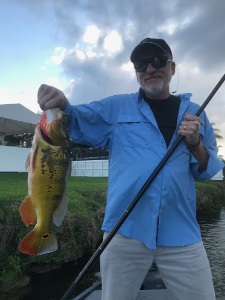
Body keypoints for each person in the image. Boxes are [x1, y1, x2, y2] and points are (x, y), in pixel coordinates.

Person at [38, 38, 224, 300]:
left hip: (181, 231)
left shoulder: (196, 113)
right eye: (141, 64)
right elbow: (75, 119)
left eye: (158, 61)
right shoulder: (115, 107)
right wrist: (61, 102)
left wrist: (195, 143)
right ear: (136, 72)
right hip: (123, 230)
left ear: (172, 67)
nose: (149, 69)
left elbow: (205, 171)